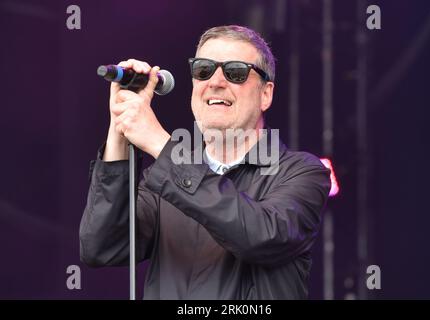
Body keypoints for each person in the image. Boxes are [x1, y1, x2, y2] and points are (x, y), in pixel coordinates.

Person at [80, 25, 331, 299]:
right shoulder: (163, 178)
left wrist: (161, 145)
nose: (215, 82)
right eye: (203, 70)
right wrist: (119, 127)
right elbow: (101, 247)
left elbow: (262, 236)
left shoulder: (302, 172)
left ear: (265, 94)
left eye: (235, 71)